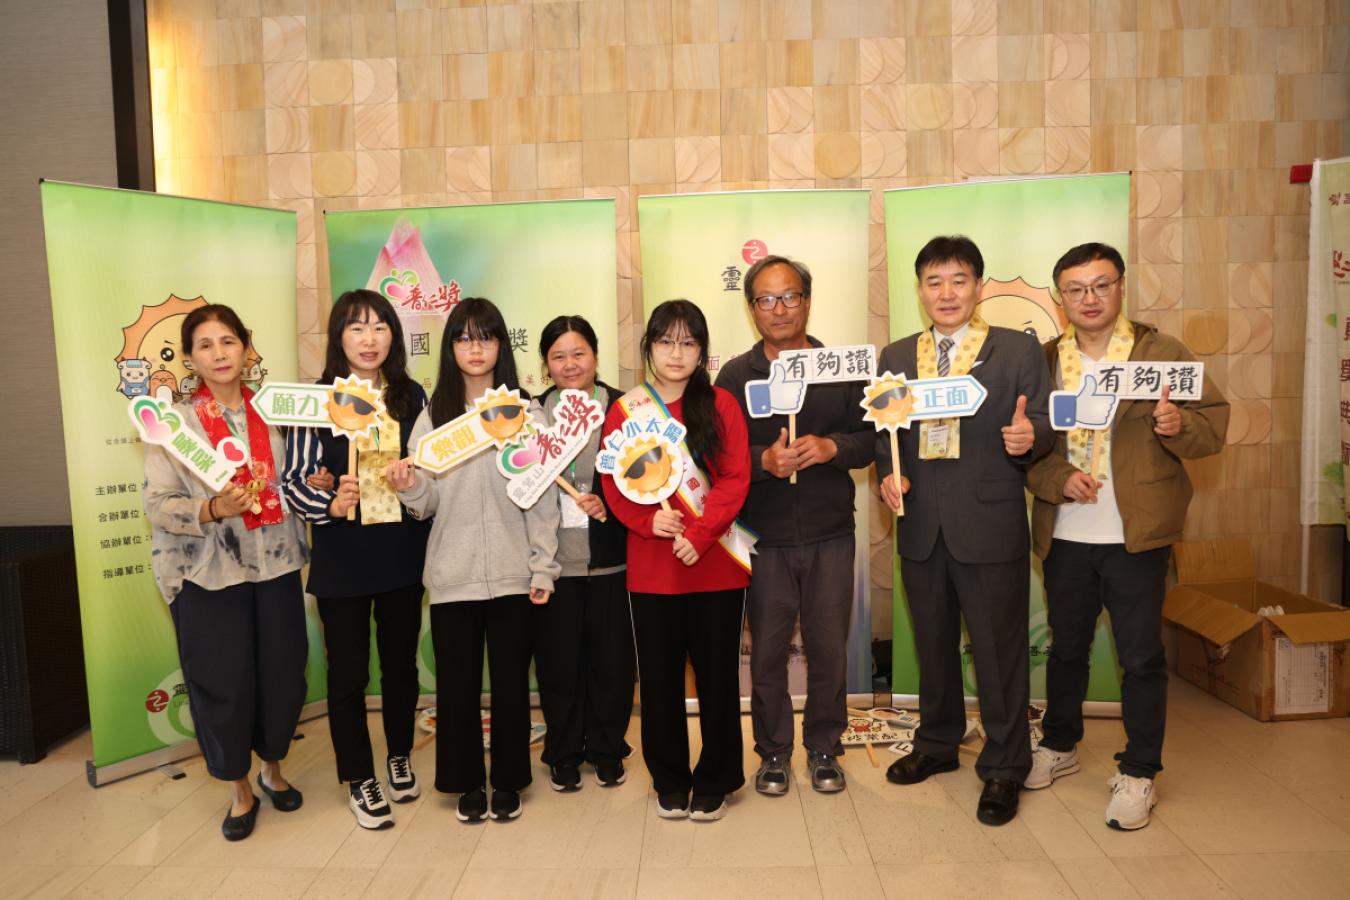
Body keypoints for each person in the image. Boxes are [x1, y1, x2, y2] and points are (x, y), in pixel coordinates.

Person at [1023, 242, 1229, 830]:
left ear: (1120, 287)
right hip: (1066, 534)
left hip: (1138, 535)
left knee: (1141, 656)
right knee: (1067, 648)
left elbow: (1213, 427)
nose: (1089, 298)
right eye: (1075, 289)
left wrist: (1177, 424)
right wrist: (1059, 479)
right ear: (1060, 298)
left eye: (1101, 285)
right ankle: (1059, 743)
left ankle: (1139, 771)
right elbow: (1027, 447)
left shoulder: (1161, 355)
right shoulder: (1043, 360)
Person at [874, 235, 1053, 827]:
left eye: (958, 280)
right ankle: (937, 743)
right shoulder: (898, 355)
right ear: (920, 290)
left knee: (999, 653)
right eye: (934, 281)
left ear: (978, 286)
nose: (946, 293)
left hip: (990, 523)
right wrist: (887, 475)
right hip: (921, 525)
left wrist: (1031, 438)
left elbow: (1044, 422)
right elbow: (883, 433)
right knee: (932, 646)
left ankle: (1005, 765)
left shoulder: (1016, 350)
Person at [385, 297, 560, 824]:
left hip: (514, 574)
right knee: (457, 689)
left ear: (502, 345)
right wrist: (409, 487)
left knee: (510, 686)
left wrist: (543, 566)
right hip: (453, 574)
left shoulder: (526, 413)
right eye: (463, 338)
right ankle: (465, 782)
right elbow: (426, 504)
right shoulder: (434, 416)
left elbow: (542, 496)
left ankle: (507, 781)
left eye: (485, 337)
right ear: (450, 348)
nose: (475, 348)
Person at [143, 304, 309, 841]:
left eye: (228, 341)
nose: (219, 354)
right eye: (206, 345)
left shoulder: (278, 410)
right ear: (190, 358)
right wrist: (213, 508)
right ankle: (239, 788)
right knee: (223, 684)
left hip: (277, 564)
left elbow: (298, 478)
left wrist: (318, 481)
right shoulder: (175, 425)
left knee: (281, 675)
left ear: (246, 347)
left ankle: (272, 770)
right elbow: (157, 504)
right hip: (208, 574)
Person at [714, 255, 874, 795]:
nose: (778, 309)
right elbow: (718, 455)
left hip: (830, 532)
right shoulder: (735, 376)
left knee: (829, 650)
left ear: (807, 300)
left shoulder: (840, 367)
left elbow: (870, 441)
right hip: (763, 538)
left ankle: (825, 747)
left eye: (789, 296)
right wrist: (764, 461)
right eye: (766, 299)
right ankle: (773, 752)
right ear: (751, 307)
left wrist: (831, 447)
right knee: (767, 653)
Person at [281, 289, 431, 830]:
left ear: (394, 335)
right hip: (342, 556)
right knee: (347, 674)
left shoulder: (411, 394)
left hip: (402, 552)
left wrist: (413, 479)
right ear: (338, 337)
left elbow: (430, 467)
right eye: (357, 328)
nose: (370, 339)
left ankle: (398, 755)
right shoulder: (315, 400)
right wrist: (330, 502)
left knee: (400, 667)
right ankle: (358, 776)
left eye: (380, 327)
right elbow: (293, 481)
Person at [600, 300, 751, 821]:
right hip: (653, 568)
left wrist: (701, 534)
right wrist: (648, 522)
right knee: (660, 682)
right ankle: (669, 778)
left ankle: (717, 778)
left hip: (716, 565)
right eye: (666, 341)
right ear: (649, 347)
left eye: (689, 342)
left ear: (703, 352)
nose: (676, 352)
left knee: (717, 680)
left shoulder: (722, 405)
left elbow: (735, 479)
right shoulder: (627, 410)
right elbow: (613, 482)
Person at [533, 316, 635, 792]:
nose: (570, 364)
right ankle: (564, 751)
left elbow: (647, 477)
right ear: (546, 364)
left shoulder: (623, 409)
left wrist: (610, 505)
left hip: (612, 559)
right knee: (559, 666)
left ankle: (608, 749)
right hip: (554, 564)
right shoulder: (531, 414)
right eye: (558, 356)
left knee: (612, 664)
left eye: (579, 353)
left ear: (595, 356)